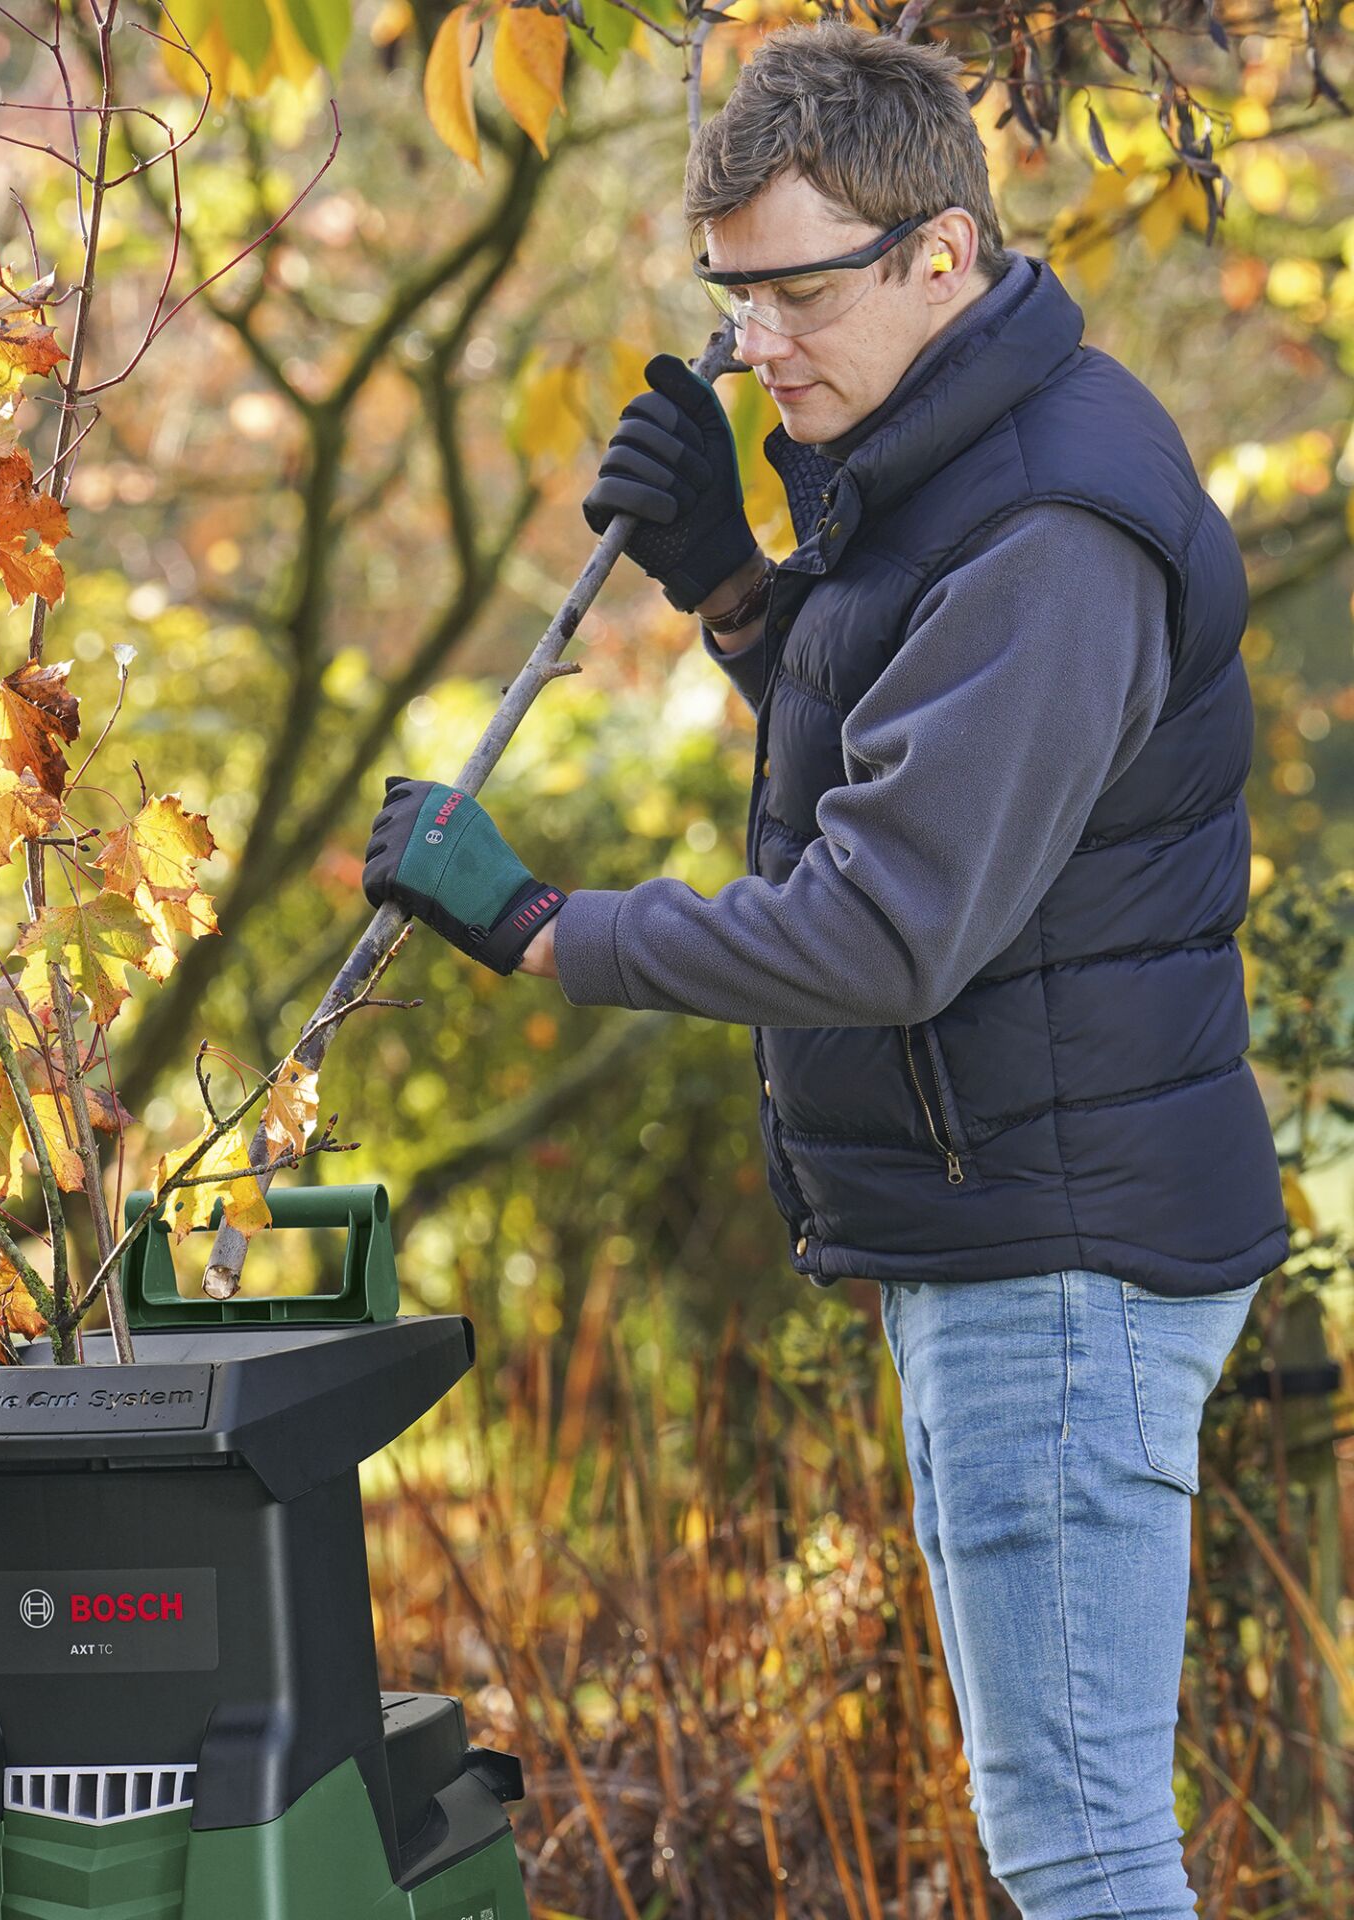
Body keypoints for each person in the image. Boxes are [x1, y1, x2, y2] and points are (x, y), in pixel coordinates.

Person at [358, 19, 1287, 1919]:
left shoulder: (1045, 526)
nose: (757, 348)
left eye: (792, 296)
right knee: (1069, 1836)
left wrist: (545, 931)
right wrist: (731, 583)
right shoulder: (941, 467)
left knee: (1089, 1851)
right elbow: (913, 763)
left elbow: (883, 923)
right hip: (1018, 1238)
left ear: (939, 255)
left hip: (1066, 1257)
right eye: (730, 304)